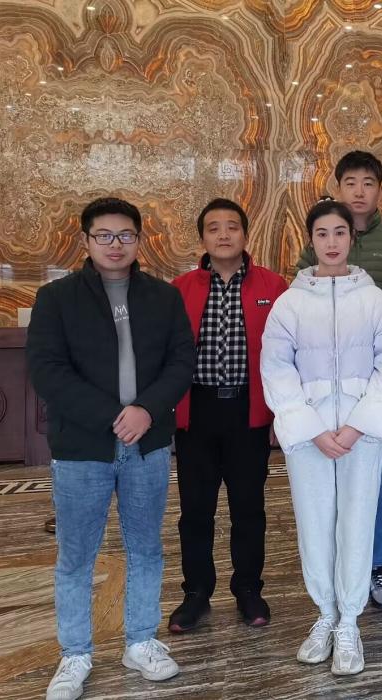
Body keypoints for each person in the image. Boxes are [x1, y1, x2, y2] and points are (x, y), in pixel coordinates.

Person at [26, 197, 196, 700]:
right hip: (83, 446)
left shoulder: (163, 297)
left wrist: (146, 409)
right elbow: (47, 371)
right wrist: (113, 416)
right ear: (86, 240)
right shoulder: (56, 298)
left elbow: (181, 361)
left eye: (125, 235)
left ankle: (140, 641)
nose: (115, 244)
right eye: (104, 235)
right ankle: (75, 653)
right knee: (76, 555)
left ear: (139, 240)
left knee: (145, 548)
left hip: (148, 443)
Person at [262, 199, 382, 676]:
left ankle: (349, 621)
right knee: (315, 521)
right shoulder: (290, 303)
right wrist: (311, 427)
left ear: (351, 237)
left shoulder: (374, 300)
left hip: (360, 433)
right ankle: (325, 613)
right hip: (311, 435)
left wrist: (359, 423)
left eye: (339, 233)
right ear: (311, 240)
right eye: (322, 233)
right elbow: (276, 368)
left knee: (357, 521)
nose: (331, 242)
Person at [295, 150, 382, 609]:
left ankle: (376, 563)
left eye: (368, 182)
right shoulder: (319, 240)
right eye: (351, 182)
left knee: (380, 479)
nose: (360, 191)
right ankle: (336, 568)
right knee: (327, 483)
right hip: (324, 387)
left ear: (380, 189)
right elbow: (302, 302)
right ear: (338, 187)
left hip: (376, 384)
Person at [168, 198, 289, 633]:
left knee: (249, 507)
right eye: (214, 228)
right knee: (195, 510)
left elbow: (287, 353)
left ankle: (249, 588)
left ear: (245, 235)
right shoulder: (179, 289)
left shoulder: (274, 286)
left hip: (248, 412)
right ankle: (196, 593)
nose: (223, 234)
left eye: (232, 226)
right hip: (196, 412)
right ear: (202, 238)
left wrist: (281, 413)